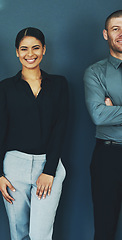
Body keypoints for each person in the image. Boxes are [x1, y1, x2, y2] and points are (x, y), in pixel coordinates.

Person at [0, 27, 68, 240]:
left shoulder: (59, 84)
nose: (30, 54)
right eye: (24, 49)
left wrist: (50, 170)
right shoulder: (6, 87)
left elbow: (61, 127)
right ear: (17, 52)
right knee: (19, 233)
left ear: (44, 49)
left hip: (49, 164)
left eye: (35, 47)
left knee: (40, 235)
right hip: (14, 166)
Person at [84, 10, 122, 240]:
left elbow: (107, 114)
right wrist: (105, 112)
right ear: (105, 34)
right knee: (105, 228)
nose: (121, 33)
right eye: (115, 28)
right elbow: (99, 116)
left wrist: (113, 109)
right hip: (109, 157)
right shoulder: (95, 72)